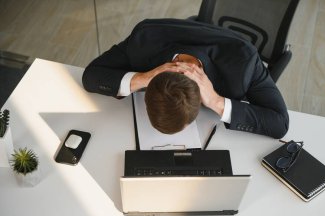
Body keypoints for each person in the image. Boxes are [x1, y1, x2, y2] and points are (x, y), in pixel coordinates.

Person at [82, 18, 289, 138]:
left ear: (200, 101)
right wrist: (144, 77)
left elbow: (280, 123)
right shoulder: (142, 40)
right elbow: (91, 75)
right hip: (164, 37)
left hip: (230, 48)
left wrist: (216, 101)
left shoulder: (245, 63)